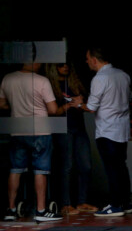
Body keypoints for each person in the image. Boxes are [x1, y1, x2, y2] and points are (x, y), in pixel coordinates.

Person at [0, 56, 66, 222]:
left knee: (15, 169)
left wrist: (17, 106)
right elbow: (53, 110)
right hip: (39, 130)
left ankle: (11, 209)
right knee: (40, 170)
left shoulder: (8, 79)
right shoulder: (41, 81)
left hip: (17, 130)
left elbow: (2, 104)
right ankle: (41, 210)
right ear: (34, 62)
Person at [83, 48, 132, 217]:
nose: (86, 62)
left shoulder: (100, 78)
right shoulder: (123, 75)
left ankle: (115, 206)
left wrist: (78, 104)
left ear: (95, 59)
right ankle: (126, 203)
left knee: (112, 169)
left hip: (106, 130)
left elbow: (91, 107)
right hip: (122, 129)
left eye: (88, 58)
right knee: (121, 166)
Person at [47, 61, 96, 216]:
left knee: (85, 165)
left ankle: (82, 201)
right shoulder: (50, 86)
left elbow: (88, 106)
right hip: (62, 128)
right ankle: (65, 204)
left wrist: (81, 103)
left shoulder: (75, 84)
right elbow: (50, 111)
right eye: (61, 64)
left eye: (68, 64)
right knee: (66, 166)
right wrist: (68, 106)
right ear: (54, 67)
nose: (65, 67)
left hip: (79, 128)